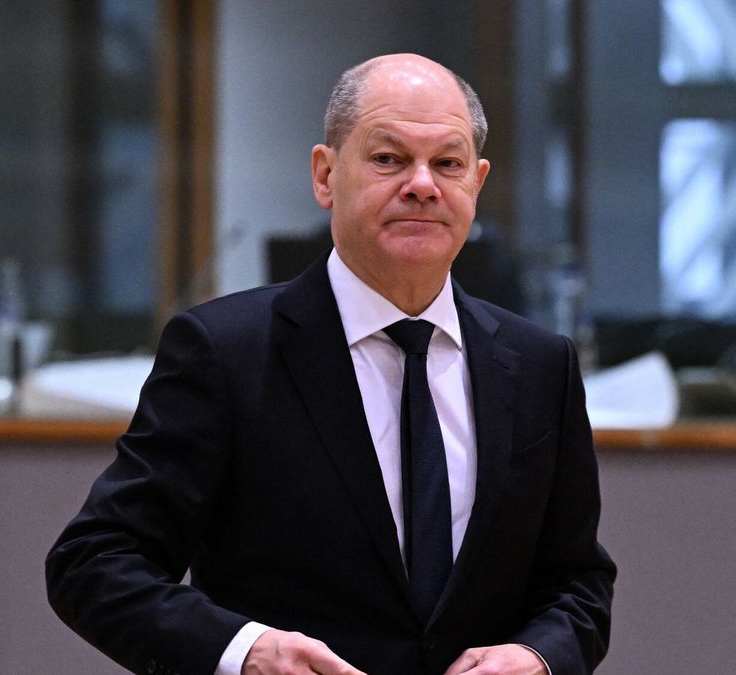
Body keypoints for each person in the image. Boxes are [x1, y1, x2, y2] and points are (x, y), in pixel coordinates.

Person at [47, 54, 615, 675]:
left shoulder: (539, 365)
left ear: (476, 184)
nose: (422, 184)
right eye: (388, 158)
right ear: (325, 176)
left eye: (447, 164)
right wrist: (245, 652)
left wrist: (538, 658)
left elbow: (578, 583)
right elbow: (94, 561)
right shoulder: (225, 351)